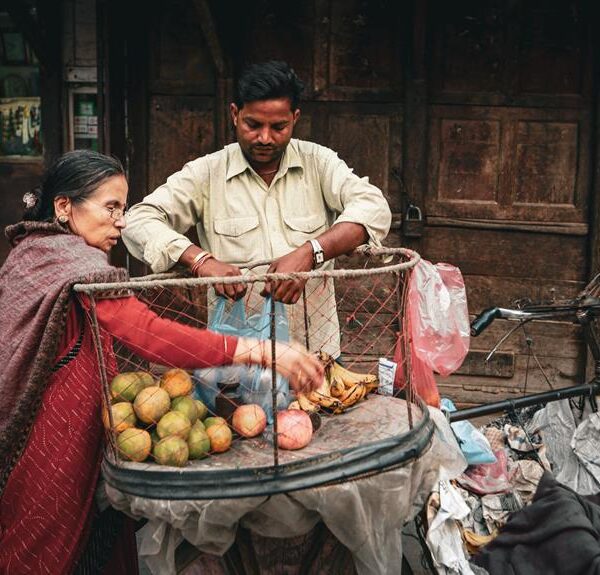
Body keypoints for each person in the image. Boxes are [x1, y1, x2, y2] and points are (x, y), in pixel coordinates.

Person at [0, 150, 322, 574]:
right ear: (64, 207)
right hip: (53, 440)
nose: (121, 221)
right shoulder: (71, 263)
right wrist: (260, 351)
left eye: (124, 208)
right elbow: (147, 333)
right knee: (47, 551)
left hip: (73, 428)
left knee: (96, 544)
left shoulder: (33, 251)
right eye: (110, 207)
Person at [122, 60, 392, 358]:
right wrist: (199, 260)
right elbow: (138, 220)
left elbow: (373, 207)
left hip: (315, 354)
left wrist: (311, 252)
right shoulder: (206, 173)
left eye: (278, 127)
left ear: (295, 118)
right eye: (254, 125)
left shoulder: (319, 163)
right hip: (239, 356)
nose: (265, 138)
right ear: (235, 114)